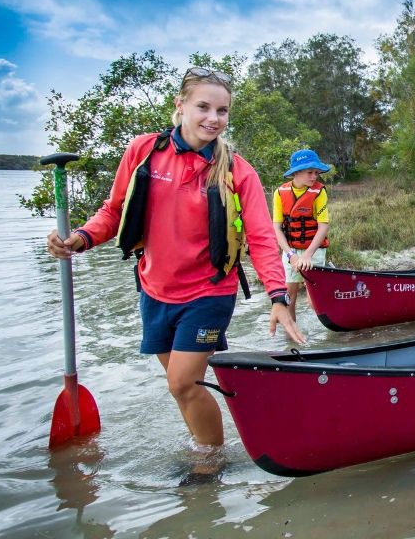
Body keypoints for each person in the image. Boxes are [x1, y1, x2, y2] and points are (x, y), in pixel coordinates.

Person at [46, 67, 304, 459]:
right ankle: (207, 445)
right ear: (180, 105)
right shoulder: (144, 151)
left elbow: (261, 238)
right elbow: (113, 211)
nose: (213, 118)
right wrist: (80, 238)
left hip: (209, 292)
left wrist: (278, 296)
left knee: (182, 384)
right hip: (155, 290)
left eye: (222, 110)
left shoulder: (237, 170)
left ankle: (210, 463)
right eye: (203, 107)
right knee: (184, 384)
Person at [273, 149, 331, 321]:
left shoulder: (319, 192)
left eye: (316, 172)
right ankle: (291, 336)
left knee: (315, 299)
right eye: (310, 172)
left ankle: (329, 331)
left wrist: (307, 255)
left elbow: (323, 226)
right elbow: (276, 228)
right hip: (290, 250)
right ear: (296, 173)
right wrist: (291, 255)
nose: (314, 177)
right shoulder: (279, 193)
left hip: (313, 251)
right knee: (289, 296)